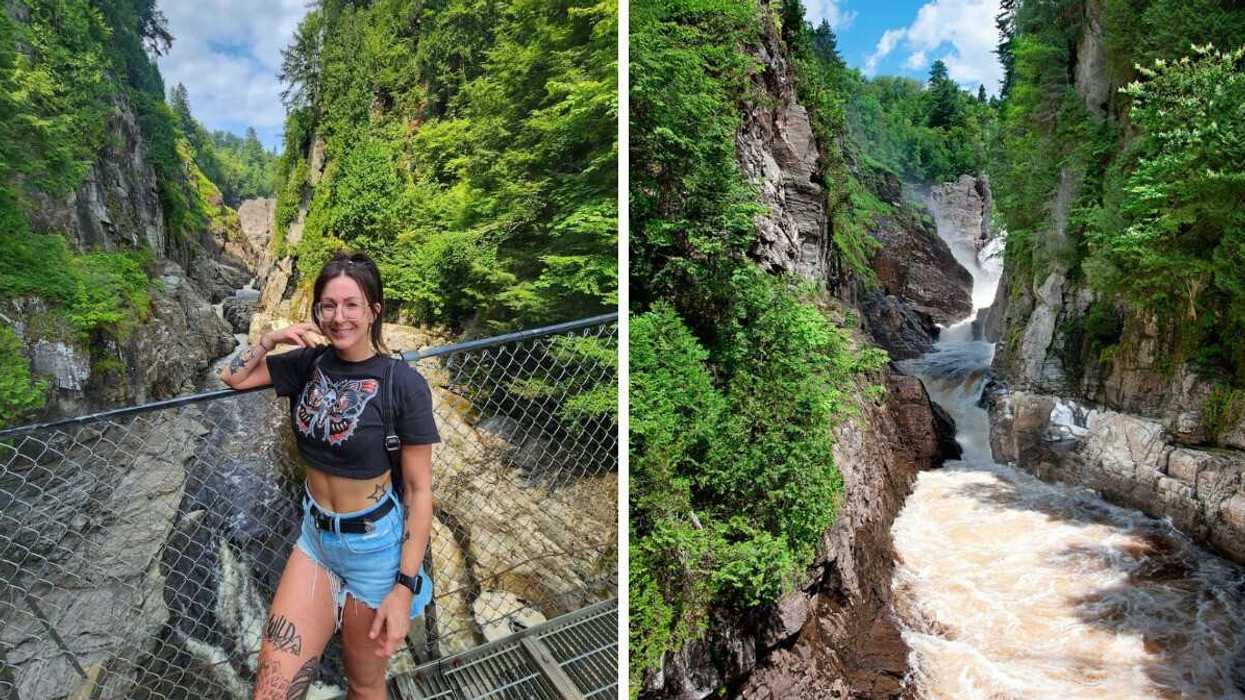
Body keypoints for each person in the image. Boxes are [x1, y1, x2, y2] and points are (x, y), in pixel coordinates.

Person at [220, 251, 439, 700]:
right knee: (271, 691)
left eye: (351, 305)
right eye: (329, 306)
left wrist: (403, 588)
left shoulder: (402, 383)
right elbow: (232, 377)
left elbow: (420, 491)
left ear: (374, 310)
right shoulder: (308, 364)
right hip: (315, 543)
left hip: (376, 551)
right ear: (317, 311)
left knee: (364, 686)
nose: (339, 317)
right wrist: (269, 339)